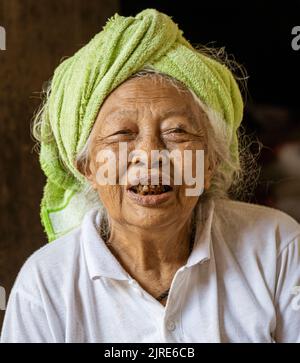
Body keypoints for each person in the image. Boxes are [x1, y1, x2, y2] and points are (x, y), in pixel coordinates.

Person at [1, 8, 300, 343]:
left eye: (177, 132)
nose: (150, 155)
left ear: (211, 160)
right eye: (122, 135)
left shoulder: (277, 247)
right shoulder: (44, 287)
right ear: (86, 168)